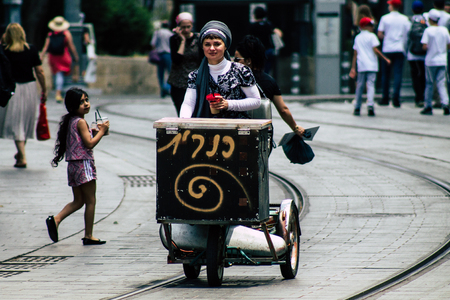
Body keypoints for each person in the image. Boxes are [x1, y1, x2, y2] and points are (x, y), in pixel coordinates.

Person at [47, 88, 110, 245]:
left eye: (87, 100)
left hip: (73, 165)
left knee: (78, 200)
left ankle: (56, 219)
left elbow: (82, 141)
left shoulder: (72, 121)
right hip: (84, 164)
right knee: (91, 200)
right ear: (73, 105)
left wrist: (95, 132)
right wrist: (101, 132)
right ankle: (88, 235)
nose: (86, 104)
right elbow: (89, 144)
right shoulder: (81, 121)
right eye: (81, 102)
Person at [180, 20, 261, 119]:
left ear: (225, 46)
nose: (212, 48)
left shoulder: (241, 71)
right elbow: (188, 103)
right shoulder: (195, 76)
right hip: (206, 128)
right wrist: (183, 121)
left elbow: (256, 101)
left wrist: (228, 104)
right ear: (202, 47)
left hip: (237, 127)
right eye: (207, 44)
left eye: (217, 44)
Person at [234, 35, 304, 136]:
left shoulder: (233, 80)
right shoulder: (270, 81)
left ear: (248, 60)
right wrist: (295, 128)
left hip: (237, 132)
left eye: (237, 59)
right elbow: (283, 110)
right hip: (261, 135)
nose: (233, 63)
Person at [0, 23, 47, 168]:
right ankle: (21, 155)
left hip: (11, 89)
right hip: (29, 88)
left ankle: (21, 155)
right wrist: (44, 89)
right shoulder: (31, 49)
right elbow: (39, 71)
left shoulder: (4, 51)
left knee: (16, 122)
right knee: (24, 121)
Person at [350, 18, 391, 117]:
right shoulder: (372, 36)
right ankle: (370, 105)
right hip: (372, 65)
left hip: (361, 65)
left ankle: (357, 106)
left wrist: (353, 67)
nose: (372, 27)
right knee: (371, 85)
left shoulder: (358, 37)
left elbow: (355, 54)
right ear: (365, 26)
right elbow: (375, 50)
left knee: (360, 86)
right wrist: (385, 59)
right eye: (370, 25)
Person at [377, 0, 411, 107]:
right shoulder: (405, 19)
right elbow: (408, 34)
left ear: (392, 6)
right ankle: (396, 98)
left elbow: (380, 34)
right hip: (400, 48)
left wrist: (386, 37)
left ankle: (385, 97)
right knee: (397, 74)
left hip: (387, 49)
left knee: (385, 75)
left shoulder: (385, 18)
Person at [167, 12, 202, 116]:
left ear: (192, 26)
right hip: (178, 82)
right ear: (178, 27)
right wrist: (182, 41)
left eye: (188, 27)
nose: (186, 30)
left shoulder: (198, 39)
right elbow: (176, 60)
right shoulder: (174, 39)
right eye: (183, 27)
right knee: (182, 113)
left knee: (195, 113)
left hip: (194, 81)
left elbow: (202, 59)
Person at [40, 16, 79, 103]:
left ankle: (58, 90)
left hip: (53, 57)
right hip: (63, 56)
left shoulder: (50, 34)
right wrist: (75, 55)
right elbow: (71, 46)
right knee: (60, 74)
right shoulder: (66, 34)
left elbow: (46, 47)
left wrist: (42, 55)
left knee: (57, 74)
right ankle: (58, 93)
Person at [420, 9, 450, 115]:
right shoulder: (444, 30)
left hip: (431, 61)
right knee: (441, 83)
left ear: (430, 19)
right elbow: (448, 44)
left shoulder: (428, 31)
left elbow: (424, 46)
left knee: (429, 83)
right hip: (442, 60)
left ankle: (428, 106)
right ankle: (445, 103)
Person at [248, 6, 282, 74]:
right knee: (267, 70)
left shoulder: (252, 26)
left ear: (255, 15)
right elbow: (279, 33)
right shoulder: (268, 25)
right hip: (268, 50)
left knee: (256, 70)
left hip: (257, 51)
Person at [407, 1, 427, 108]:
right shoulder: (426, 20)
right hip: (424, 54)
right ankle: (423, 96)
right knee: (423, 75)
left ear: (412, 10)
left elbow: (407, 37)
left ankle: (418, 97)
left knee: (415, 75)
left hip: (412, 53)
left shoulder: (409, 21)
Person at [150, 20, 173, 98]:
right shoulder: (170, 34)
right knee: (170, 73)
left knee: (160, 73)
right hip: (168, 54)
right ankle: (166, 87)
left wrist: (154, 51)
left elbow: (153, 43)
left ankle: (162, 89)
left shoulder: (157, 33)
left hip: (159, 54)